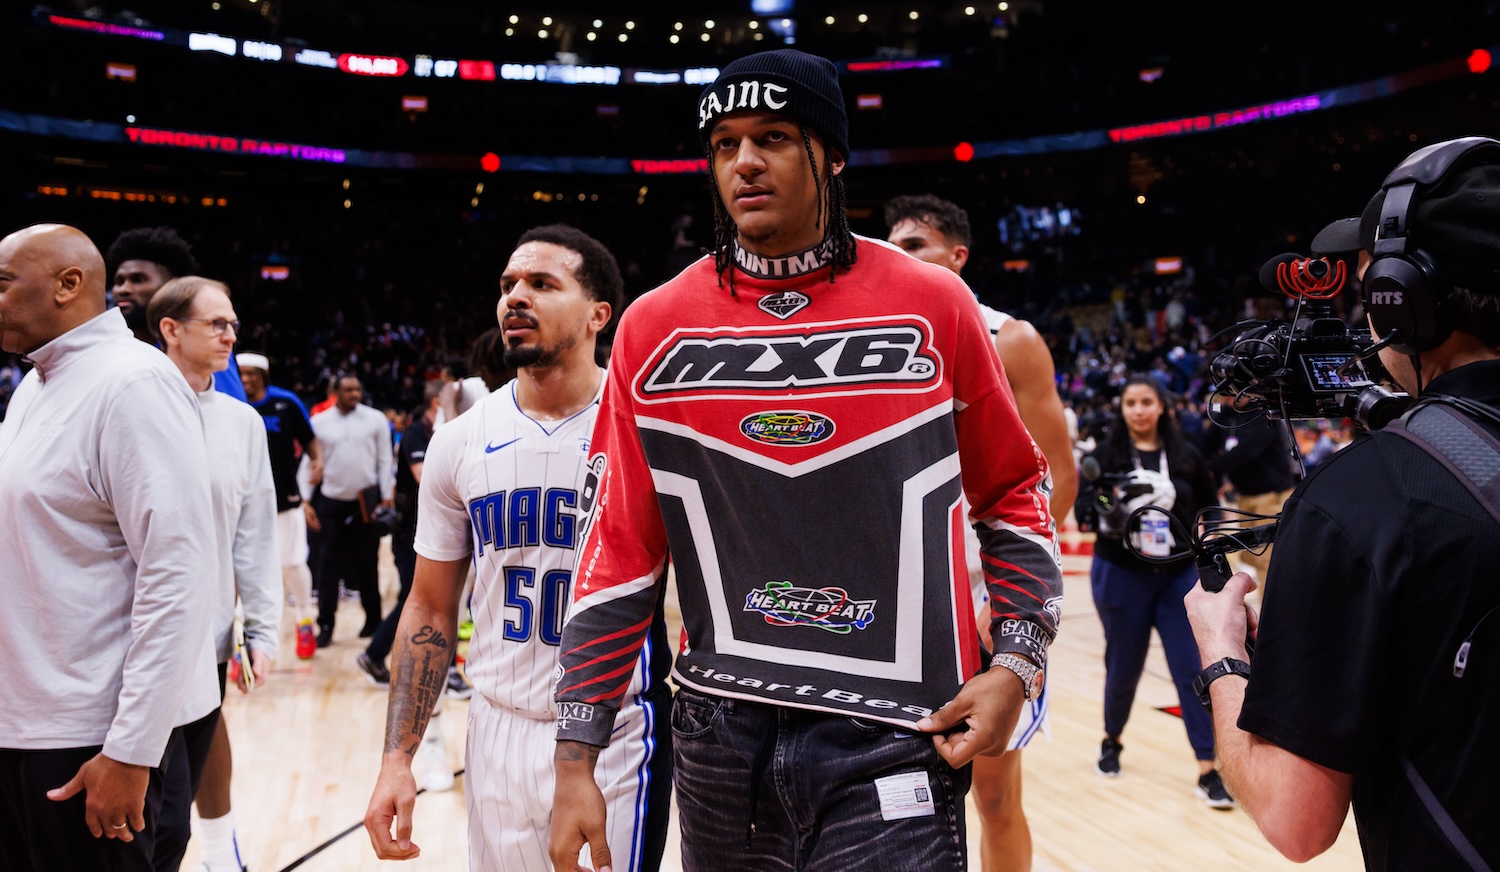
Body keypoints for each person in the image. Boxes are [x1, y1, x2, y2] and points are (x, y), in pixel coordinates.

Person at [550, 49, 1061, 872]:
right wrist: (576, 754)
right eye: (723, 143)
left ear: (830, 154)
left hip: (900, 729)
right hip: (721, 735)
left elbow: (1012, 489)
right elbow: (618, 546)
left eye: (774, 137)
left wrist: (1018, 663)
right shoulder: (653, 325)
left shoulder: (935, 305)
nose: (744, 161)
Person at [1186, 136, 1500, 867]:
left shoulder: (1364, 499)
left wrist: (1223, 653)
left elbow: (1297, 820)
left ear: (1407, 299)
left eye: (1368, 293)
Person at [364, 224, 672, 870]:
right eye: (507, 285)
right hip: (497, 724)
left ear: (598, 314)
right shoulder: (460, 441)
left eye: (540, 283)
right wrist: (398, 758)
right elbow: (428, 609)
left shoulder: (649, 428)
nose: (514, 297)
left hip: (616, 731)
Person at [0, 223, 219, 867]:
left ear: (69, 285)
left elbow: (178, 577)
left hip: (90, 742)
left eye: (4, 283)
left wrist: (131, 750)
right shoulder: (35, 387)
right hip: (24, 725)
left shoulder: (132, 383)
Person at [884, 193, 1078, 872]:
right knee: (897, 796)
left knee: (995, 796)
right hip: (900, 601)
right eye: (892, 245)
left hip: (986, 594)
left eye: (916, 246)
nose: (897, 258)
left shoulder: (1009, 337)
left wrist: (1014, 596)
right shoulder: (878, 343)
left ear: (957, 255)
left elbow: (1056, 476)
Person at [148, 278, 280, 872]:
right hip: (137, 642)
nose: (231, 334)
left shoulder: (242, 422)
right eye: (216, 324)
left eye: (233, 323)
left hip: (212, 639)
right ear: (170, 330)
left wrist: (264, 630)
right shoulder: (134, 408)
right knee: (152, 816)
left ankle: (220, 854)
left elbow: (254, 536)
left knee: (172, 821)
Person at [1078, 374, 1230, 808]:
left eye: (1147, 402)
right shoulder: (1103, 457)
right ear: (1122, 409)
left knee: (1192, 670)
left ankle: (1208, 768)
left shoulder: (1187, 457)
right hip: (1122, 573)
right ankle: (1112, 740)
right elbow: (1088, 511)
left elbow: (1210, 509)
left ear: (1161, 407)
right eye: (1131, 403)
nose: (1140, 410)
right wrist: (1109, 506)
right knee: (1123, 667)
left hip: (1178, 576)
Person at [238, 351, 325, 660]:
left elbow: (310, 438)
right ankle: (243, 641)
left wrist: (318, 461)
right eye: (241, 373)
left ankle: (304, 621)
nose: (246, 379)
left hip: (284, 498)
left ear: (264, 375)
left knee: (291, 563)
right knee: (243, 570)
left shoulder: (286, 402)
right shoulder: (230, 402)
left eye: (252, 374)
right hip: (240, 501)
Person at [105, 226, 246, 401]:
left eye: (138, 280)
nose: (123, 289)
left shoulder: (204, 350)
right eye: (119, 281)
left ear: (171, 287)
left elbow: (226, 419)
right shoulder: (107, 348)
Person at [306, 374, 394, 648]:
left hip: (364, 503)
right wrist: (306, 501)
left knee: (368, 564)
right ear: (335, 392)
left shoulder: (375, 419)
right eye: (348, 389)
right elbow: (309, 463)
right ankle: (326, 625)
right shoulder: (319, 423)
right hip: (331, 501)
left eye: (357, 388)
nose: (355, 393)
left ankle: (373, 621)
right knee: (327, 567)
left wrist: (387, 495)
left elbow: (384, 457)